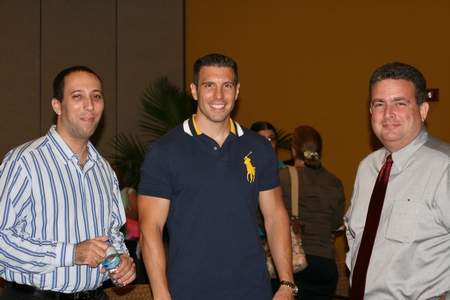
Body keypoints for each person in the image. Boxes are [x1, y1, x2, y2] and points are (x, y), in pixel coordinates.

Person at [138, 53, 296, 300]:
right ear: (194, 90)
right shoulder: (164, 152)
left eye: (227, 86)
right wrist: (160, 294)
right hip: (188, 292)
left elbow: (275, 216)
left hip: (253, 291)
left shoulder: (259, 148)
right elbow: (150, 228)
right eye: (209, 85)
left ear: (237, 90)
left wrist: (287, 284)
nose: (219, 95)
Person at [0, 66, 136, 300]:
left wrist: (122, 261)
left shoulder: (105, 171)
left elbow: (112, 235)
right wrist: (70, 253)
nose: (89, 105)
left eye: (96, 96)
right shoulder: (24, 162)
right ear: (57, 105)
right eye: (77, 96)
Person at [344, 62, 450, 299]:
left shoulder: (444, 167)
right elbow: (355, 237)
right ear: (371, 112)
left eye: (400, 103)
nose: (388, 113)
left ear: (423, 110)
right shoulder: (367, 168)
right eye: (379, 104)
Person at [279, 125, 345, 299]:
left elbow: (265, 219)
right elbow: (335, 223)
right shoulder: (334, 182)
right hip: (324, 264)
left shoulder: (282, 178)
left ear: (294, 150)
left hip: (291, 263)